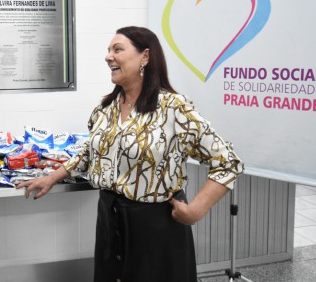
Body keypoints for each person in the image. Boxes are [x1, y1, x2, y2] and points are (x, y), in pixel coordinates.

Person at [17, 26, 244, 282]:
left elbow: (227, 162)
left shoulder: (173, 108)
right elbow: (91, 151)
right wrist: (52, 177)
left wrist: (197, 210)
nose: (108, 56)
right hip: (109, 217)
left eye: (118, 49)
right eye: (108, 50)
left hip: (155, 226)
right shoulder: (107, 108)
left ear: (145, 57)